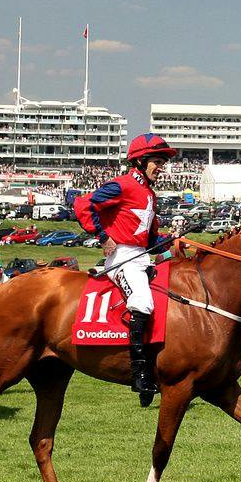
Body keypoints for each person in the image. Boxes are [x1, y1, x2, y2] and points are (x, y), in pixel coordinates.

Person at [73, 133, 177, 405]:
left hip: (142, 257)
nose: (161, 167)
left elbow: (151, 242)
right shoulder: (121, 185)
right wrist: (102, 236)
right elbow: (83, 203)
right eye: (157, 161)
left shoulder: (150, 195)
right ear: (140, 162)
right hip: (122, 258)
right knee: (141, 302)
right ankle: (140, 373)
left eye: (162, 162)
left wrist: (172, 246)